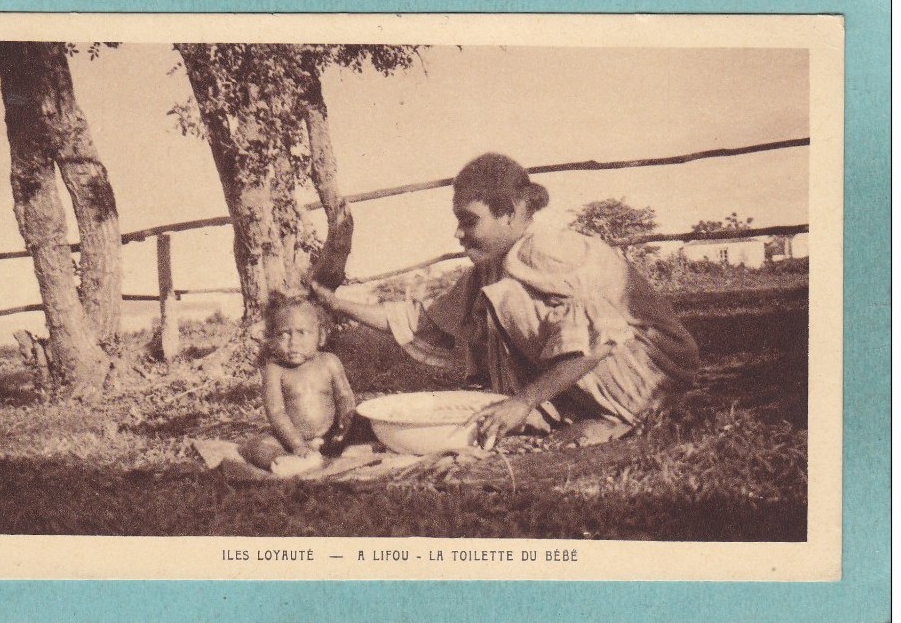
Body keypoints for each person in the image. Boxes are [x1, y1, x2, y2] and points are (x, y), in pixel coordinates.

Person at [311, 153, 700, 448]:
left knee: (509, 299)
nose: (459, 234)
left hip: (650, 373)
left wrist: (523, 401)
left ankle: (621, 418)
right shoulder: (495, 264)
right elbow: (423, 322)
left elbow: (601, 339)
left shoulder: (547, 252)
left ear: (510, 213)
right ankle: (572, 410)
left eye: (469, 220)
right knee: (498, 299)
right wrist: (331, 302)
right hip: (613, 367)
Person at [240, 293, 357, 475]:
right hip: (291, 440)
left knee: (365, 424)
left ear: (321, 336)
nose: (293, 342)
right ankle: (287, 461)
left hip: (332, 435)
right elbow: (276, 412)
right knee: (255, 446)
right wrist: (297, 445)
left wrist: (345, 419)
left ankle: (345, 450)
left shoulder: (329, 362)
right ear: (272, 339)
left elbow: (344, 395)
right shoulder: (275, 370)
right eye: (284, 334)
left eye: (302, 333)